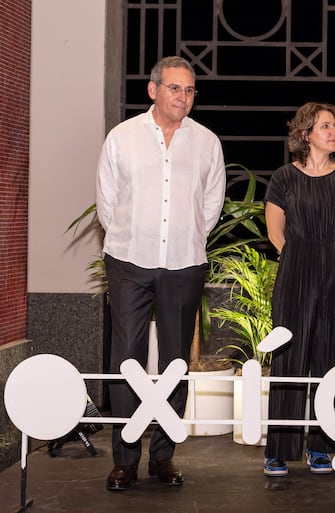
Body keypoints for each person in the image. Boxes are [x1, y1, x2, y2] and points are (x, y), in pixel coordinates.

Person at [96, 56, 226, 491]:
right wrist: (139, 239)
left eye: (189, 91)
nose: (183, 98)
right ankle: (125, 458)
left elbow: (211, 205)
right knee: (126, 360)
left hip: (184, 264)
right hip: (129, 260)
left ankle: (164, 456)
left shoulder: (207, 142)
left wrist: (184, 239)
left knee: (175, 361)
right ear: (153, 90)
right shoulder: (122, 138)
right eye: (175, 88)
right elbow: (107, 204)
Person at [263, 102, 335, 477]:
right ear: (305, 134)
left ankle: (328, 445)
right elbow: (275, 230)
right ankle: (280, 449)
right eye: (325, 126)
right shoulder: (284, 177)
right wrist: (296, 257)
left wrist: (328, 256)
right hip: (296, 267)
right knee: (289, 355)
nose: (334, 131)